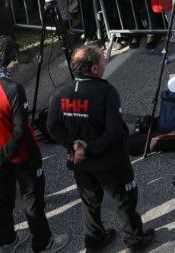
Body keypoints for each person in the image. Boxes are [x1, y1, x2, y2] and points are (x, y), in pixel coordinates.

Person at [45, 44, 156, 252]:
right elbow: (114, 132)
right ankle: (135, 240)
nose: (105, 62)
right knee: (124, 199)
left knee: (89, 202)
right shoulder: (106, 92)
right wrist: (88, 148)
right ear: (94, 69)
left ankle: (94, 241)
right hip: (110, 161)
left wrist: (73, 146)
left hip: (80, 163)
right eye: (103, 60)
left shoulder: (59, 93)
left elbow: (52, 126)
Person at [0, 36, 65, 253]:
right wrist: (0, 155)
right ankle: (43, 242)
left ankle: (7, 242)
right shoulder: (12, 89)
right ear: (12, 59)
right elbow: (20, 130)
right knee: (32, 199)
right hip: (22, 156)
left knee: (1, 200)